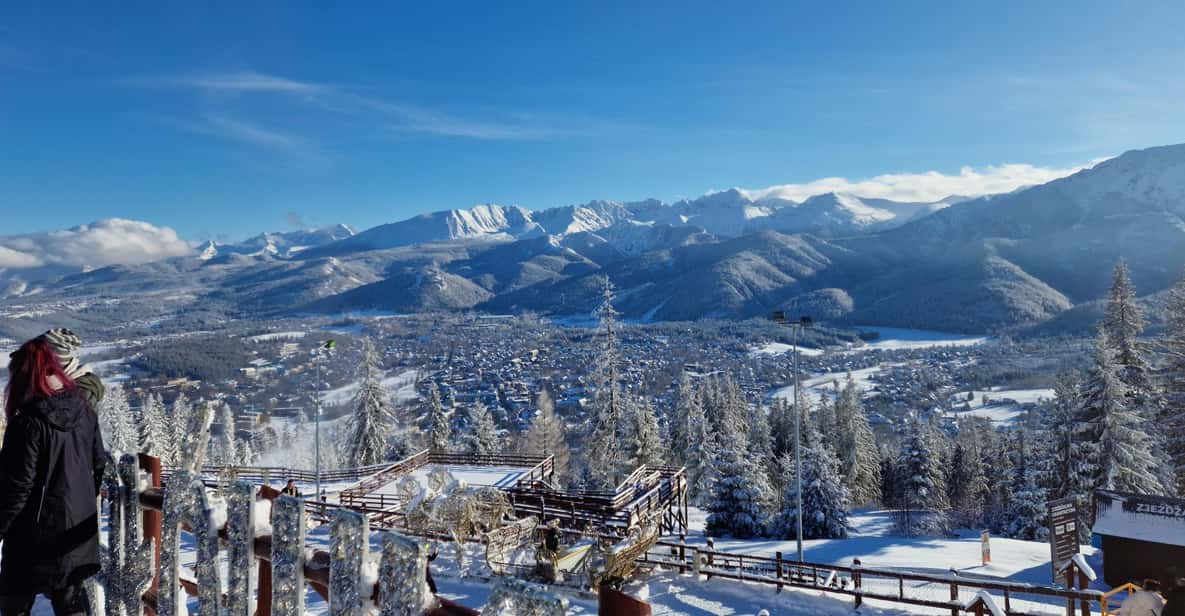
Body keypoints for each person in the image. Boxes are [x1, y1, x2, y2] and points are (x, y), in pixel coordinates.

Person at [0, 338, 106, 616]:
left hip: (30, 540)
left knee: (15, 606)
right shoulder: (84, 411)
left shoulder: (27, 424)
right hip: (76, 534)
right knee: (70, 605)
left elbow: (16, 489)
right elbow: (98, 465)